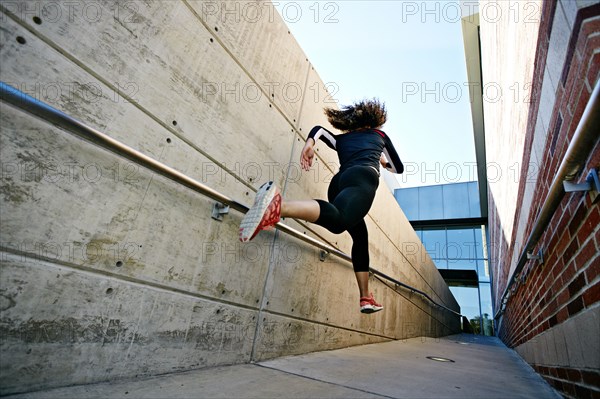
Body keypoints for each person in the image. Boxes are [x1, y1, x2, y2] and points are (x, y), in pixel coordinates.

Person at [239, 99, 403, 313]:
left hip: (338, 184)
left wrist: (309, 144)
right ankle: (279, 207)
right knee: (338, 222)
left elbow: (319, 131)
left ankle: (365, 297)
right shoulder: (379, 136)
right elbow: (397, 168)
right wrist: (382, 161)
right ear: (374, 121)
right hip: (363, 177)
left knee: (360, 235)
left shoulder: (342, 139)